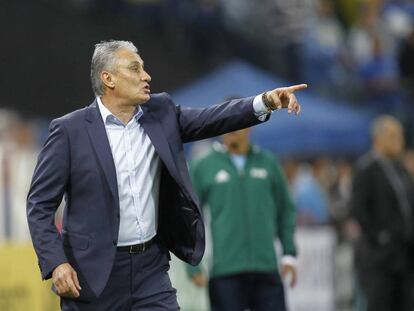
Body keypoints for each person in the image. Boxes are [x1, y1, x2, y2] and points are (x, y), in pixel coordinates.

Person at [26, 40, 306, 311]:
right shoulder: (69, 131)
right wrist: (56, 262)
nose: (146, 76)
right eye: (135, 68)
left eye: (144, 67)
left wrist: (266, 102)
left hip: (151, 269)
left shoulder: (160, 113)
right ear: (108, 78)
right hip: (94, 273)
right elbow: (39, 205)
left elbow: (214, 118)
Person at [186, 127, 297, 311]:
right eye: (226, 123)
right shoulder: (203, 166)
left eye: (239, 123)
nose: (232, 128)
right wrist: (193, 265)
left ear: (250, 127)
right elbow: (189, 216)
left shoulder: (268, 162)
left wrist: (289, 255)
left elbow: (285, 210)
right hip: (225, 271)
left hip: (266, 268)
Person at [350, 115, 414, 311]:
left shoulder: (400, 169)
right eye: (394, 136)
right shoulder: (366, 169)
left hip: (404, 256)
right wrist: (380, 237)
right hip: (379, 259)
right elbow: (358, 209)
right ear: (379, 139)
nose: (400, 141)